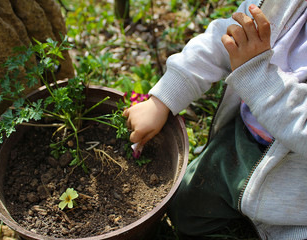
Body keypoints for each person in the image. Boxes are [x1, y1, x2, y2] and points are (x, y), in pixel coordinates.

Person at [123, 0, 307, 239]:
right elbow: (222, 40)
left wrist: (255, 73)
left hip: (296, 190)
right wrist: (162, 100)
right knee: (184, 211)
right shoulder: (283, 4)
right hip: (241, 142)